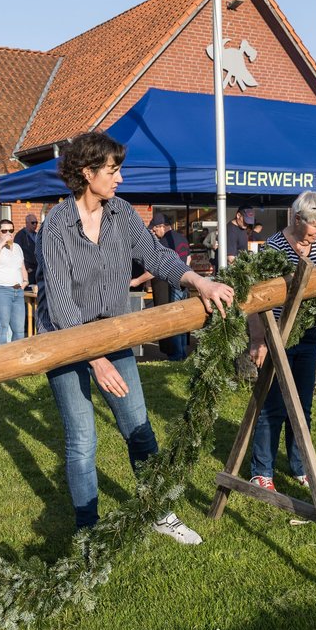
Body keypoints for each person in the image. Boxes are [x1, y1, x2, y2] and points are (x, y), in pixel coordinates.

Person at [37, 131, 234, 541]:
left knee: (138, 426)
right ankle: (87, 531)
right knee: (82, 439)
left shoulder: (122, 213)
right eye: (113, 170)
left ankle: (158, 511)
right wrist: (94, 358)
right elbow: (59, 305)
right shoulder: (55, 225)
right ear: (87, 173)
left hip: (112, 333)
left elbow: (156, 255)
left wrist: (200, 281)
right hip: (64, 339)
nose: (121, 179)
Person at [247, 190, 316, 492]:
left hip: (307, 334)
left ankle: (301, 465)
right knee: (273, 406)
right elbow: (257, 297)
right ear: (297, 219)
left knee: (302, 406)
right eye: (315, 226)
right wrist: (259, 340)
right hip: (278, 335)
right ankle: (261, 471)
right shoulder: (274, 248)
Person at [148, 213, 191, 361]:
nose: (154, 233)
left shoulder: (165, 241)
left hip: (174, 283)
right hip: (185, 281)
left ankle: (176, 355)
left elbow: (158, 265)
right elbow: (189, 260)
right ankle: (183, 352)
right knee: (183, 319)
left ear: (162, 226)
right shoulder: (183, 238)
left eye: (155, 230)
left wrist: (136, 280)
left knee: (173, 319)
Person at [0, 218, 28, 345]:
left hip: (17, 291)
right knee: (2, 327)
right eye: (4, 231)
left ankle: (17, 359)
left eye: (11, 230)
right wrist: (2, 243)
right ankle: (2, 360)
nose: (8, 233)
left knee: (19, 330)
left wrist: (25, 281)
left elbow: (21, 266)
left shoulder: (17, 247)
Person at [13, 212, 40, 285]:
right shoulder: (20, 235)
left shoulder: (37, 235)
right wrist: (26, 268)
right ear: (27, 223)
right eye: (33, 222)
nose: (35, 224)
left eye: (36, 222)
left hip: (37, 269)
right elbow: (16, 253)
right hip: (28, 270)